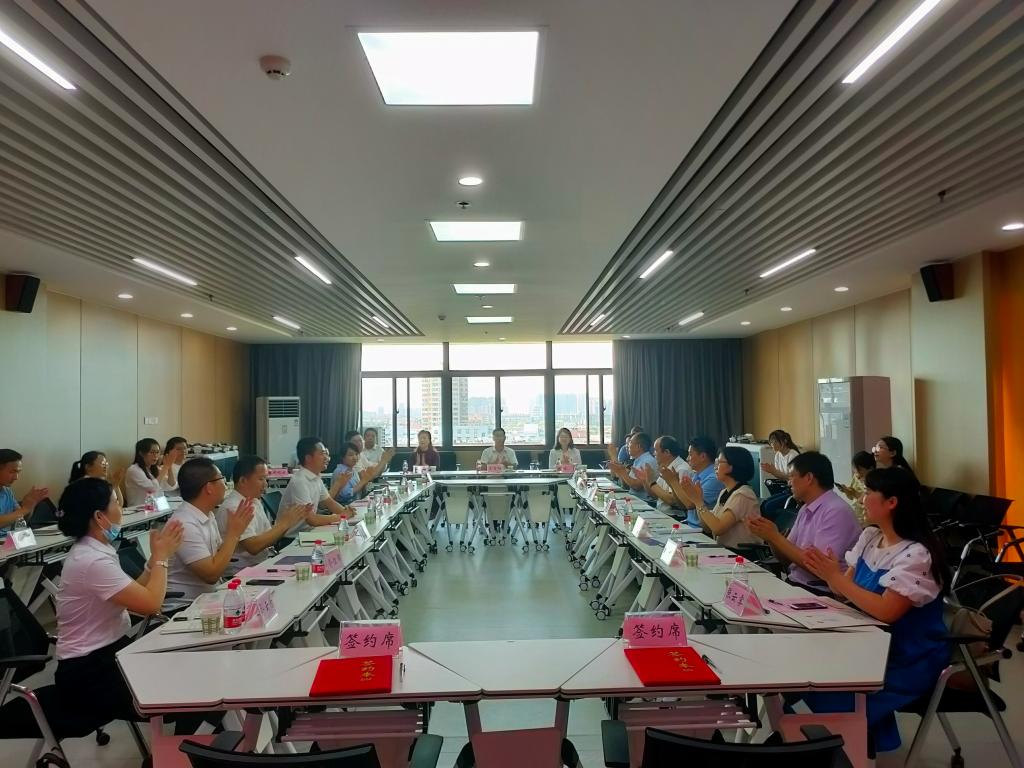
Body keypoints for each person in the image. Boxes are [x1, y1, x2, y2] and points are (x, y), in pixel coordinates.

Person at [796, 467, 948, 752]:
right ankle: (850, 742)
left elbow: (887, 611)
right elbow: (844, 589)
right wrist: (831, 575)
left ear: (892, 502)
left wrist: (836, 578)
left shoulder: (917, 555)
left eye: (867, 493)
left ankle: (840, 744)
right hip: (866, 643)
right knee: (802, 672)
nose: (861, 499)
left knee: (823, 686)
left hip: (905, 658)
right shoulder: (870, 537)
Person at [54, 476, 185, 725]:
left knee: (186, 675)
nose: (121, 509)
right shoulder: (91, 560)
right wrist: (161, 557)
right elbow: (151, 604)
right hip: (88, 673)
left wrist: (154, 562)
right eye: (115, 502)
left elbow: (136, 591)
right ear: (99, 517)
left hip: (109, 653)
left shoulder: (96, 551)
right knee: (187, 696)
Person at [748, 451, 862, 589]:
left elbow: (818, 567)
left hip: (820, 591)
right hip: (796, 583)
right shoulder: (805, 508)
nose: (789, 483)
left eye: (792, 476)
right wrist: (770, 538)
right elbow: (786, 559)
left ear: (809, 478)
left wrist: (775, 537)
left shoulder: (836, 511)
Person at [164, 458, 254, 610]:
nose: (225, 485)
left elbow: (218, 555)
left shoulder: (207, 514)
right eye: (222, 479)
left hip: (208, 600)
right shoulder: (184, 524)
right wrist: (233, 534)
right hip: (184, 607)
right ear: (209, 488)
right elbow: (211, 575)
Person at [216, 455, 309, 578]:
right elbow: (254, 547)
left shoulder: (254, 500)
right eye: (261, 479)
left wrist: (289, 521)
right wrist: (284, 523)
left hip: (260, 564)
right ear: (243, 481)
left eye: (266, 479)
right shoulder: (234, 507)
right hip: (240, 573)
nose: (265, 484)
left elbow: (269, 538)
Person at [664, 447, 762, 548]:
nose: (715, 467)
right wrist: (698, 500)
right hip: (723, 549)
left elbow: (718, 529)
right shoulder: (725, 492)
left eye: (719, 462)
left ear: (732, 466)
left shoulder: (743, 495)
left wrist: (698, 501)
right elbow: (707, 527)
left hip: (741, 553)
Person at [280, 436, 354, 534]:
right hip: (293, 537)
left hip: (309, 531)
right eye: (322, 454)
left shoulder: (316, 477)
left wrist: (348, 512)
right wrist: (342, 516)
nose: (327, 458)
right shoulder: (300, 481)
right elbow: (312, 520)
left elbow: (329, 502)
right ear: (308, 458)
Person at [676, 436, 726, 527]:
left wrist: (672, 481)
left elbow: (689, 504)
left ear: (702, 456)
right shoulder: (697, 474)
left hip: (701, 529)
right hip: (690, 525)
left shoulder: (714, 478)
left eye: (690, 454)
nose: (687, 458)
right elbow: (681, 502)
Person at [0, 449, 48, 535]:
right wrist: (25, 509)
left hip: (8, 540)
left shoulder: (7, 491)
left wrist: (30, 505)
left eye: (18, 472)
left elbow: (20, 521)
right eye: (12, 472)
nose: (16, 477)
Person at [641, 436, 690, 517]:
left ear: (667, 452)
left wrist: (652, 482)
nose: (653, 453)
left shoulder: (681, 469)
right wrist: (645, 481)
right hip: (661, 513)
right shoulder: (666, 466)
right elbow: (655, 495)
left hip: (675, 517)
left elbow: (671, 500)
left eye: (656, 450)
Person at [607, 432, 657, 500]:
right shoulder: (638, 460)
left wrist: (622, 472)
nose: (627, 446)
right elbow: (626, 486)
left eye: (630, 442)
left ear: (638, 447)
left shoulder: (647, 461)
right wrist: (620, 471)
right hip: (633, 498)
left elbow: (637, 487)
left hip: (643, 501)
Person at [124, 438, 173, 506]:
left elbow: (171, 486)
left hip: (158, 507)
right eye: (152, 452)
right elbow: (152, 488)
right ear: (141, 453)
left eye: (157, 452)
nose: (155, 455)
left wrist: (169, 467)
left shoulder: (155, 469)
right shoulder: (133, 470)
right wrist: (166, 467)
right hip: (139, 510)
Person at [837, 450, 875, 525]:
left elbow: (865, 500)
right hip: (856, 515)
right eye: (855, 470)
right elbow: (852, 496)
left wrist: (857, 495)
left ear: (870, 469)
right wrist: (846, 490)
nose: (857, 473)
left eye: (859, 470)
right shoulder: (856, 477)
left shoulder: (875, 482)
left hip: (868, 519)